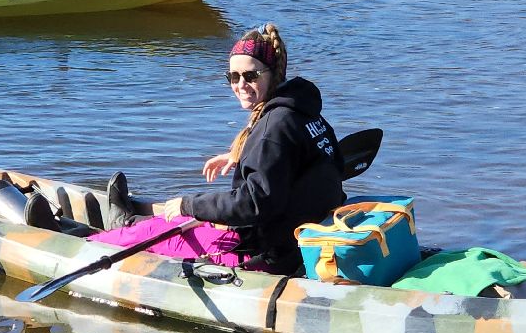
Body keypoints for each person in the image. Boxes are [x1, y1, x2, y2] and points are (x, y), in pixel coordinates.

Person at [89, 24, 346, 275]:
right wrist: (244, 155)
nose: (240, 84)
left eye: (251, 76)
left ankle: (98, 239)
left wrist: (189, 205)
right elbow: (309, 162)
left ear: (273, 73)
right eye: (233, 77)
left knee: (155, 232)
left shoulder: (273, 129)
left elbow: (253, 204)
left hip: (262, 253)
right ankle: (128, 223)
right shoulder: (304, 112)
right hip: (294, 238)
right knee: (178, 221)